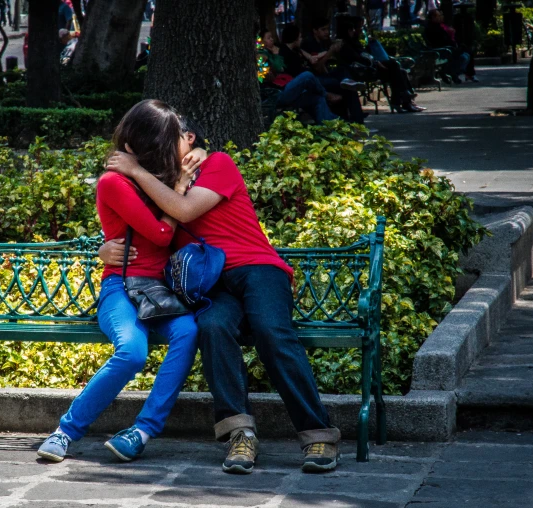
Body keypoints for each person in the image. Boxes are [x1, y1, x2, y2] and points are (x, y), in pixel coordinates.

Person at [102, 109, 342, 475]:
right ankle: (239, 434)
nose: (166, 144)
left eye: (174, 136)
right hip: (212, 284)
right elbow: (150, 234)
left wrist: (136, 170)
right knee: (212, 329)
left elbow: (182, 209)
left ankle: (317, 433)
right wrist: (103, 250)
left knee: (271, 332)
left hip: (257, 268)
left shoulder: (217, 164)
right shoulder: (166, 183)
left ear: (191, 139)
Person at [36, 100, 203, 464]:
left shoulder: (159, 173)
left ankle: (142, 430)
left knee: (188, 331)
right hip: (122, 288)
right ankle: (65, 431)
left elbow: (200, 146)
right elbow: (160, 234)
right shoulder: (114, 182)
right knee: (132, 351)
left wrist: (185, 166)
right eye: (162, 142)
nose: (170, 149)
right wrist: (176, 191)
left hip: (159, 292)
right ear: (136, 147)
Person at [339, 18, 425, 112]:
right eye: (357, 28)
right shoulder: (345, 44)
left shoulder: (355, 41)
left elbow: (365, 55)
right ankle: (403, 97)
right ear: (349, 31)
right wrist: (375, 62)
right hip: (365, 71)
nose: (359, 30)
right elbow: (359, 58)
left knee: (401, 72)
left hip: (372, 68)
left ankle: (406, 102)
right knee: (394, 65)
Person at [258, 29, 341, 125]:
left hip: (286, 87)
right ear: (261, 42)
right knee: (307, 76)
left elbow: (295, 53)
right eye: (268, 38)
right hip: (277, 94)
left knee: (318, 98)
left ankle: (328, 127)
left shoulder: (277, 50)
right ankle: (327, 95)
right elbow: (269, 70)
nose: (272, 39)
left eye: (272, 37)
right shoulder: (261, 55)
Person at [298, 20, 367, 124]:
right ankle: (356, 121)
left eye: (327, 29)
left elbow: (326, 66)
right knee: (345, 88)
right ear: (315, 31)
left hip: (324, 76)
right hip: (314, 80)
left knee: (344, 73)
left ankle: (346, 81)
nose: (326, 32)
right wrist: (331, 51)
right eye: (323, 29)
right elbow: (317, 67)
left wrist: (336, 51)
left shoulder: (324, 42)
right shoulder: (309, 43)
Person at [424, 9, 475, 83]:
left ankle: (458, 73)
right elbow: (440, 41)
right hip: (442, 51)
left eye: (441, 15)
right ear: (433, 18)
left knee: (467, 53)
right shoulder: (432, 28)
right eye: (439, 16)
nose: (441, 17)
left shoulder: (440, 26)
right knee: (464, 57)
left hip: (448, 48)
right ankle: (451, 73)